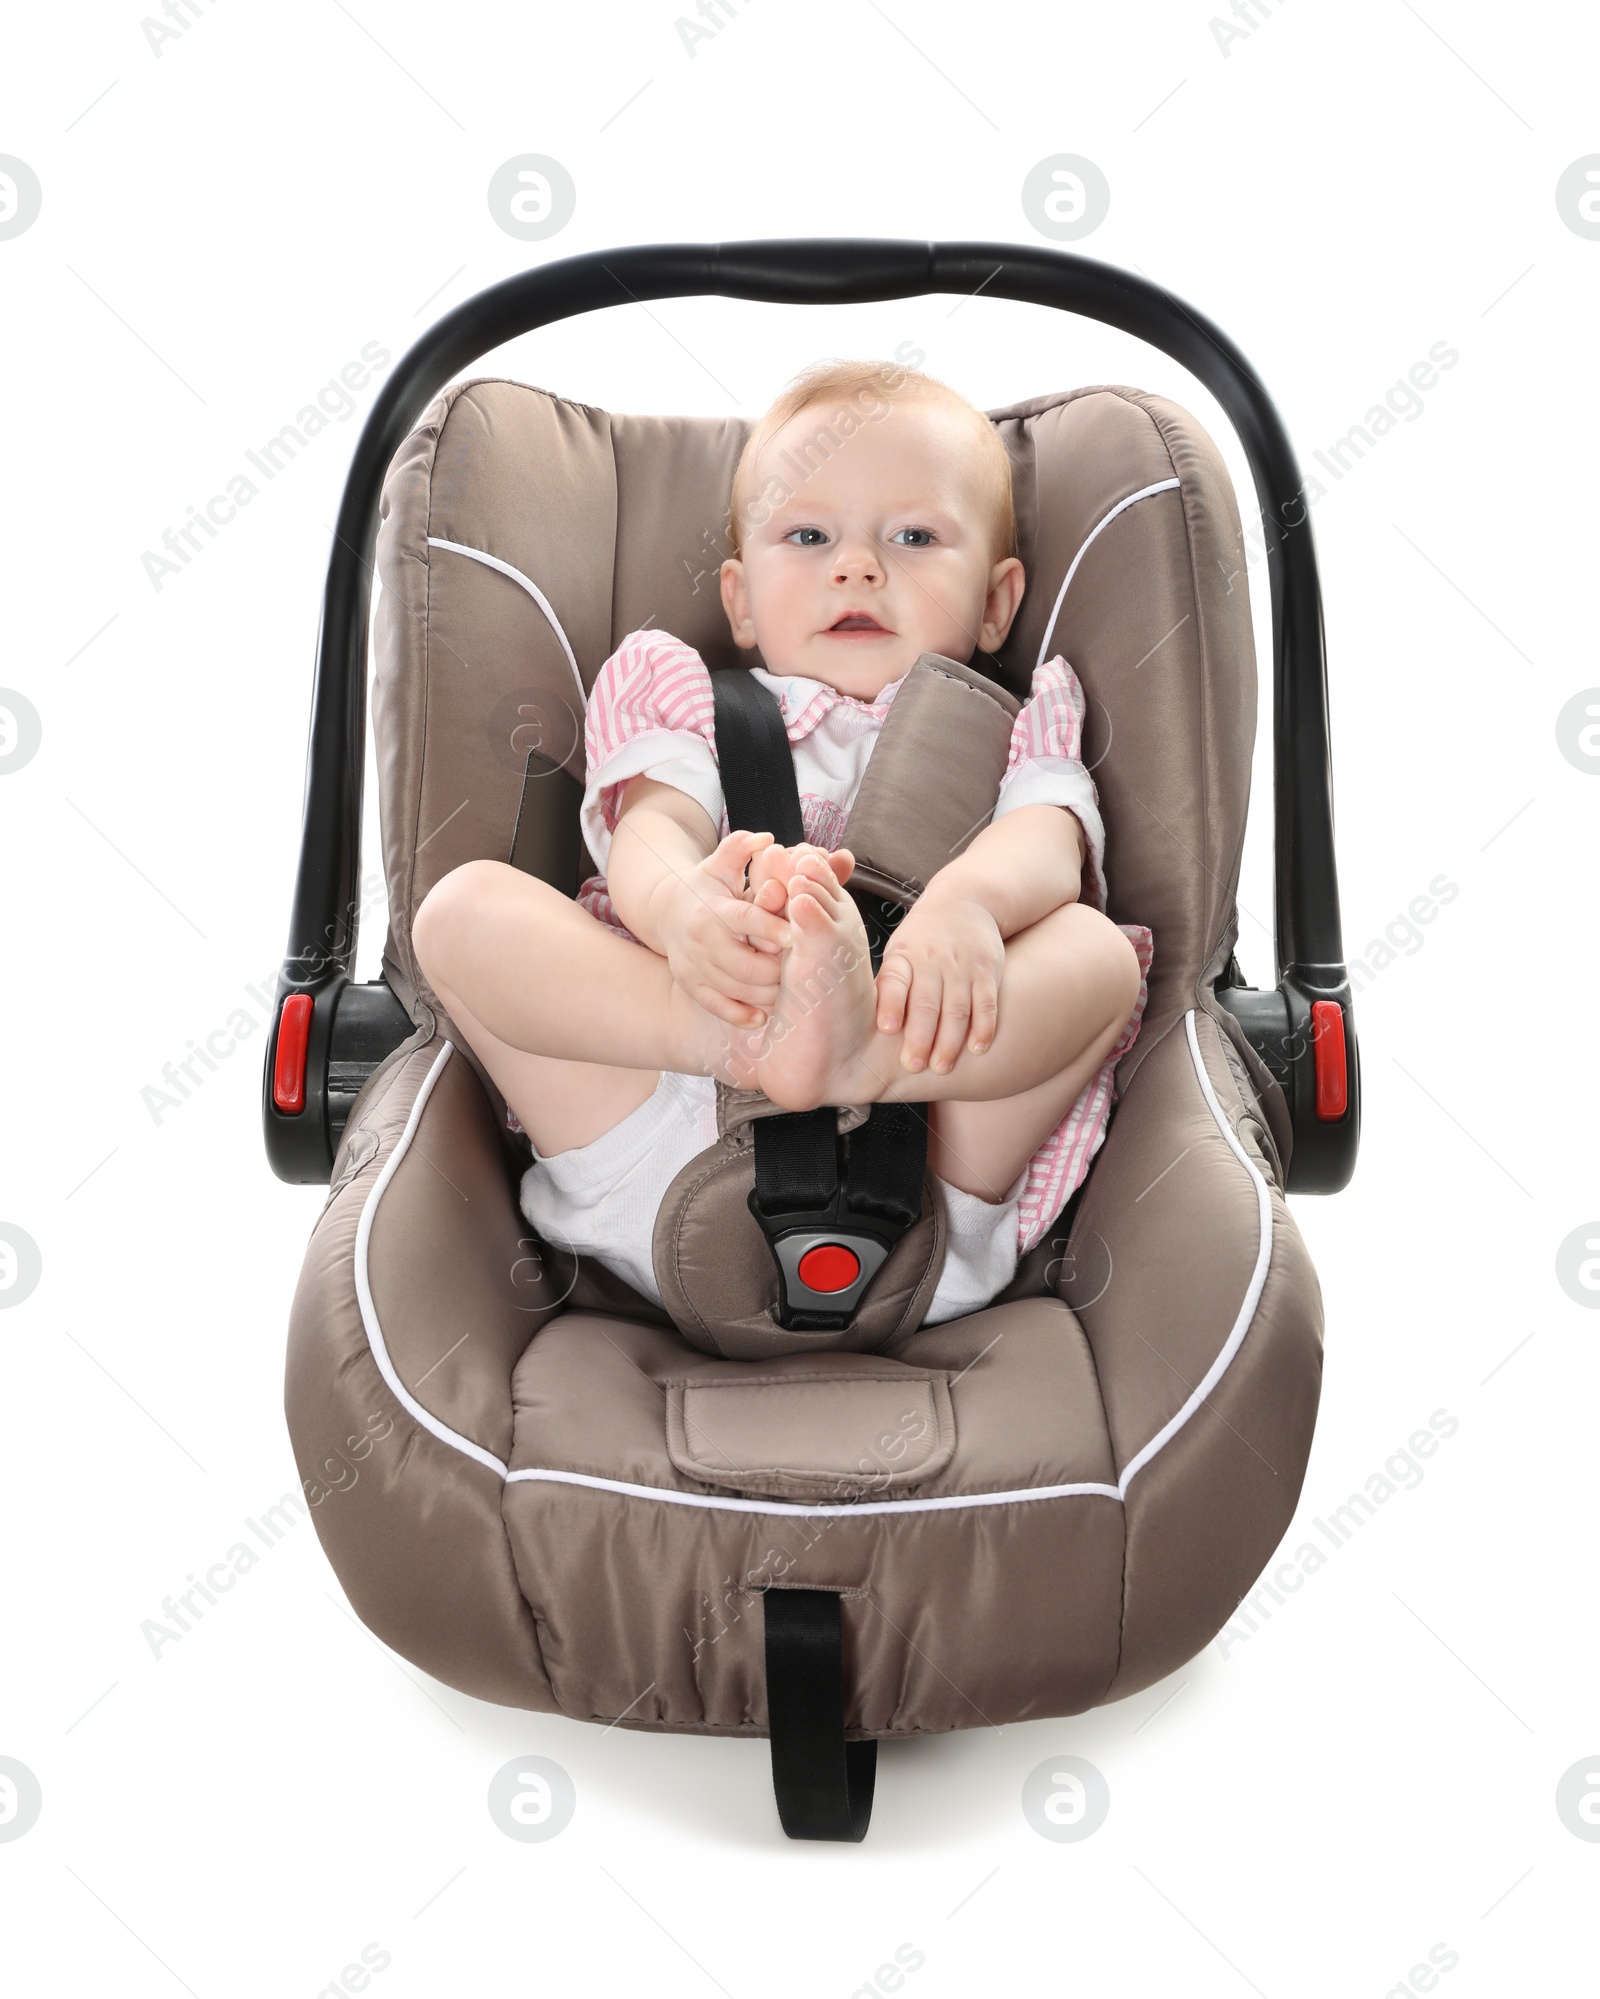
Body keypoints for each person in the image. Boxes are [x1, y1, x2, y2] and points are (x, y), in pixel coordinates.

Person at [412, 358, 1153, 1324]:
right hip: (662, 1119)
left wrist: (968, 904)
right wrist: (682, 909)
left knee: (1097, 956)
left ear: (995, 603)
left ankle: (854, 1057)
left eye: (916, 536)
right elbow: (655, 833)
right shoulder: (691, 702)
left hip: (933, 1146)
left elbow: (1050, 839)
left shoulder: (1014, 722)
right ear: (742, 601)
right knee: (462, 910)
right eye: (808, 536)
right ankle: (735, 1034)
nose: (858, 565)